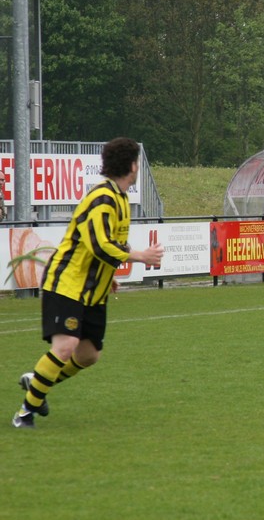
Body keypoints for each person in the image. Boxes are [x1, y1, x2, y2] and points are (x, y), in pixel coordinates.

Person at [12, 138, 165, 429]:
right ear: (133, 166)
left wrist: (108, 277)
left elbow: (111, 243)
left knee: (89, 355)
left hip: (93, 290)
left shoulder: (120, 199)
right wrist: (140, 256)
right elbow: (99, 244)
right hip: (67, 283)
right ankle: (24, 413)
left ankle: (38, 382)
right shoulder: (102, 198)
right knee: (66, 346)